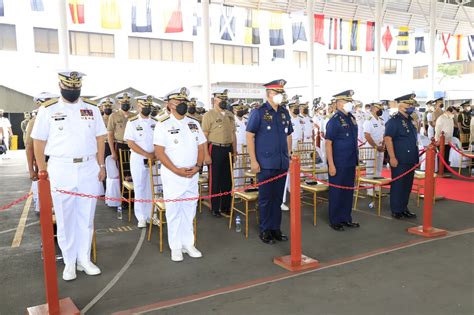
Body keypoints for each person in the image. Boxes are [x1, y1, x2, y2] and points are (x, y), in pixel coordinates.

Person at [31, 71, 106, 281]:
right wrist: (43, 169)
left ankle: (84, 259)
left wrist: (101, 165)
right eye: (68, 87)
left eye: (76, 88)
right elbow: (38, 141)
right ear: (60, 85)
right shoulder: (48, 109)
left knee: (86, 216)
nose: (72, 91)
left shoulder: (92, 108)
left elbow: (100, 138)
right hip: (61, 168)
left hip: (88, 167)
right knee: (65, 218)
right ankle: (69, 262)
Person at [153, 87, 206, 262]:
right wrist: (176, 170)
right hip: (173, 175)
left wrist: (198, 166)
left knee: (189, 210)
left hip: (192, 174)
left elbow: (201, 147)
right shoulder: (162, 124)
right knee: (174, 211)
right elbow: (159, 152)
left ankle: (188, 243)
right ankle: (175, 247)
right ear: (169, 104)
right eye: (178, 102)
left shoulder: (194, 123)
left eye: (184, 101)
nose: (182, 104)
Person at [246, 79, 293, 244]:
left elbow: (289, 134)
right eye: (276, 92)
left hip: (281, 163)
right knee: (266, 199)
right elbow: (250, 136)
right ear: (268, 94)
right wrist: (253, 160)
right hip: (265, 164)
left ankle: (276, 229)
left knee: (278, 199)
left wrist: (288, 154)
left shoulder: (284, 112)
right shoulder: (258, 112)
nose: (279, 95)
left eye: (281, 92)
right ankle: (265, 230)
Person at [325, 90, 360, 231]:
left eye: (350, 101)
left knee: (347, 191)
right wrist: (331, 164)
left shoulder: (351, 118)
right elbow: (328, 143)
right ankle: (335, 220)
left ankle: (346, 217)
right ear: (339, 103)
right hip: (338, 162)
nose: (349, 104)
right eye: (346, 101)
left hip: (350, 161)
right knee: (337, 192)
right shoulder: (334, 121)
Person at [201, 89, 237, 217]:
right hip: (214, 148)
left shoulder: (230, 114)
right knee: (215, 179)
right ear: (215, 100)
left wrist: (234, 150)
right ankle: (215, 207)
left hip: (228, 149)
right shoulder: (208, 115)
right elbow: (203, 137)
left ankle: (226, 206)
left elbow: (233, 133)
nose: (224, 102)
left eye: (225, 99)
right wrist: (206, 154)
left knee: (227, 180)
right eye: (221, 99)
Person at [123, 95, 157, 228]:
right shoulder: (132, 122)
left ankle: (152, 215)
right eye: (144, 106)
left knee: (153, 187)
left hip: (154, 159)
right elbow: (130, 143)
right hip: (138, 159)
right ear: (138, 106)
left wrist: (154, 155)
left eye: (149, 106)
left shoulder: (156, 122)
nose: (147, 108)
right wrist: (146, 154)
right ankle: (141, 217)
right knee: (140, 187)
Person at [384, 93, 419, 220]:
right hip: (399, 159)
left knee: (407, 185)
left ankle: (404, 208)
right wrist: (392, 157)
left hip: (410, 158)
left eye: (411, 104)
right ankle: (396, 209)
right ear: (401, 106)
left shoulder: (409, 120)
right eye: (408, 104)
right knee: (398, 185)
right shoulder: (394, 121)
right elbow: (388, 139)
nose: (411, 106)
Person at [25, 92, 58, 213]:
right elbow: (29, 147)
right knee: (47, 196)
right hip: (44, 162)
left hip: (60, 162)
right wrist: (31, 169)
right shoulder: (34, 122)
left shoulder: (61, 117)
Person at [107, 92, 136, 206]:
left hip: (133, 146)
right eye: (123, 102)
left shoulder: (134, 116)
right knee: (122, 172)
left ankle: (134, 198)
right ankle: (124, 199)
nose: (125, 104)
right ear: (119, 103)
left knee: (133, 170)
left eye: (127, 102)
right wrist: (113, 152)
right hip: (120, 145)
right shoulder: (113, 116)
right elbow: (110, 134)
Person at [281, 97, 303, 211]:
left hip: (298, 149)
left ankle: (293, 191)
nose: (297, 109)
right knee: (285, 175)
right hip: (288, 150)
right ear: (289, 108)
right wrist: (288, 151)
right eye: (295, 107)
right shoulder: (287, 119)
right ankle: (282, 200)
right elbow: (286, 136)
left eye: (298, 107)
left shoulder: (300, 119)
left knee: (295, 173)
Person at [363, 102, 386, 196]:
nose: (380, 109)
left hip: (380, 147)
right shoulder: (368, 120)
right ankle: (370, 190)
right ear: (372, 109)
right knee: (370, 169)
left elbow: (383, 134)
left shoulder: (381, 120)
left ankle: (377, 189)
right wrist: (376, 146)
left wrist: (383, 145)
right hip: (371, 147)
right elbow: (367, 135)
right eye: (378, 108)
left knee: (379, 169)